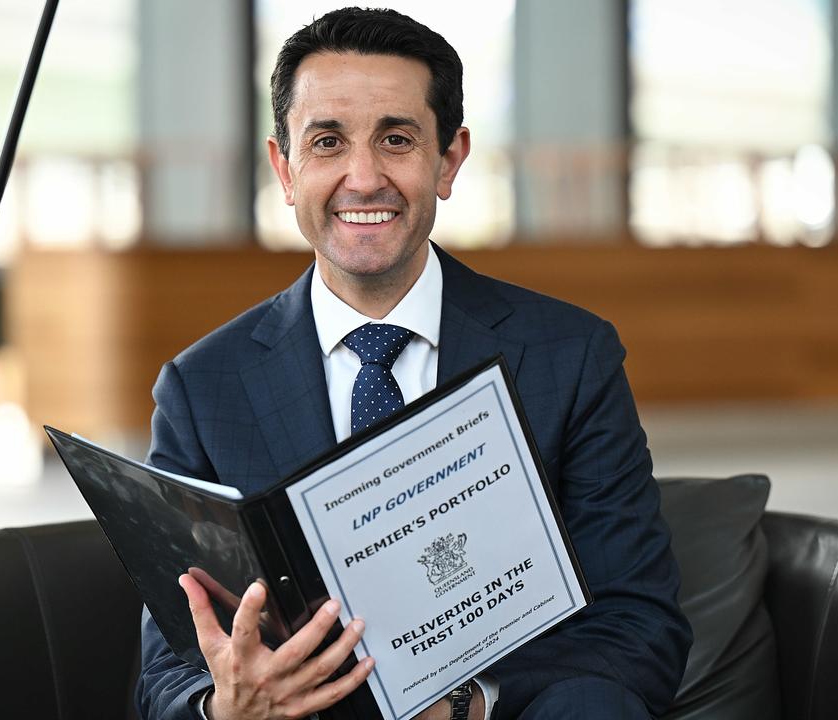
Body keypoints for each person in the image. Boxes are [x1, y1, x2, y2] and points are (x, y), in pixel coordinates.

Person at [135, 7, 691, 720]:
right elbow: (168, 670)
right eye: (328, 142)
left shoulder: (571, 356)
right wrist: (228, 708)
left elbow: (637, 624)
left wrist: (469, 706)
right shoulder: (201, 391)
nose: (363, 178)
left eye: (396, 139)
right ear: (284, 166)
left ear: (449, 159)